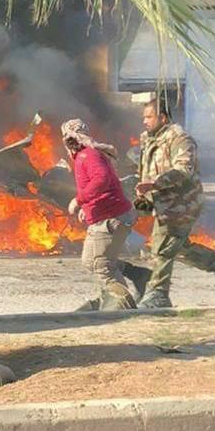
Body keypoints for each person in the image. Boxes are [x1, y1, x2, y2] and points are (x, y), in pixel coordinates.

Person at [134, 98, 215, 308]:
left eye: (149, 117)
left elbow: (184, 170)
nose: (144, 121)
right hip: (162, 204)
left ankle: (158, 295)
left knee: (163, 247)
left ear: (162, 117)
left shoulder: (180, 139)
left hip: (182, 204)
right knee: (180, 249)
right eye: (144, 117)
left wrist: (156, 183)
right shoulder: (149, 138)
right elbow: (146, 169)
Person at [62, 119, 150, 311]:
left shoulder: (88, 155)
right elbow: (103, 185)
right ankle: (137, 275)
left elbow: (101, 180)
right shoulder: (86, 155)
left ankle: (122, 308)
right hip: (107, 215)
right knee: (90, 261)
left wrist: (79, 200)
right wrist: (87, 208)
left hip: (110, 218)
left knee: (103, 266)